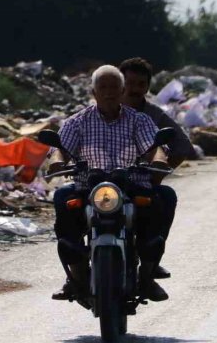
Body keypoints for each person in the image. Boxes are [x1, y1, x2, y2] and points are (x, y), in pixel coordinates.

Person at [50, 64, 172, 303]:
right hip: (88, 188)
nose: (108, 92)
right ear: (94, 92)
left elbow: (154, 147)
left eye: (114, 87)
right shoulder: (78, 121)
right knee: (62, 199)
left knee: (161, 203)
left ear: (122, 90)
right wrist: (56, 161)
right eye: (103, 87)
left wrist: (158, 159)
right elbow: (60, 149)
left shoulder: (139, 121)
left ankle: (146, 276)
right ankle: (75, 277)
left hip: (130, 186)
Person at [118, 57, 195, 280]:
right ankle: (78, 270)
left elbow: (182, 147)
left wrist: (156, 176)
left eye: (140, 84)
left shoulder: (153, 116)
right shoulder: (103, 110)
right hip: (103, 182)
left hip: (139, 183)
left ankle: (150, 265)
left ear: (148, 87)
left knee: (166, 197)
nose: (134, 89)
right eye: (129, 83)